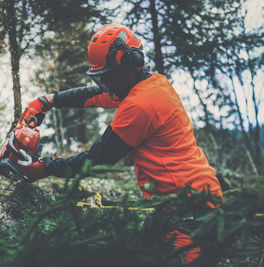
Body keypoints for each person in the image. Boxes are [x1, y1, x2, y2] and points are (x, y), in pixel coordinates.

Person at [19, 23, 223, 264]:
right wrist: (48, 101)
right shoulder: (150, 83)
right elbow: (94, 95)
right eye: (100, 75)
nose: (103, 82)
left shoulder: (141, 104)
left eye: (106, 75)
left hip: (188, 210)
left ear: (131, 63)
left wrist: (45, 168)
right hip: (191, 198)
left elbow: (98, 158)